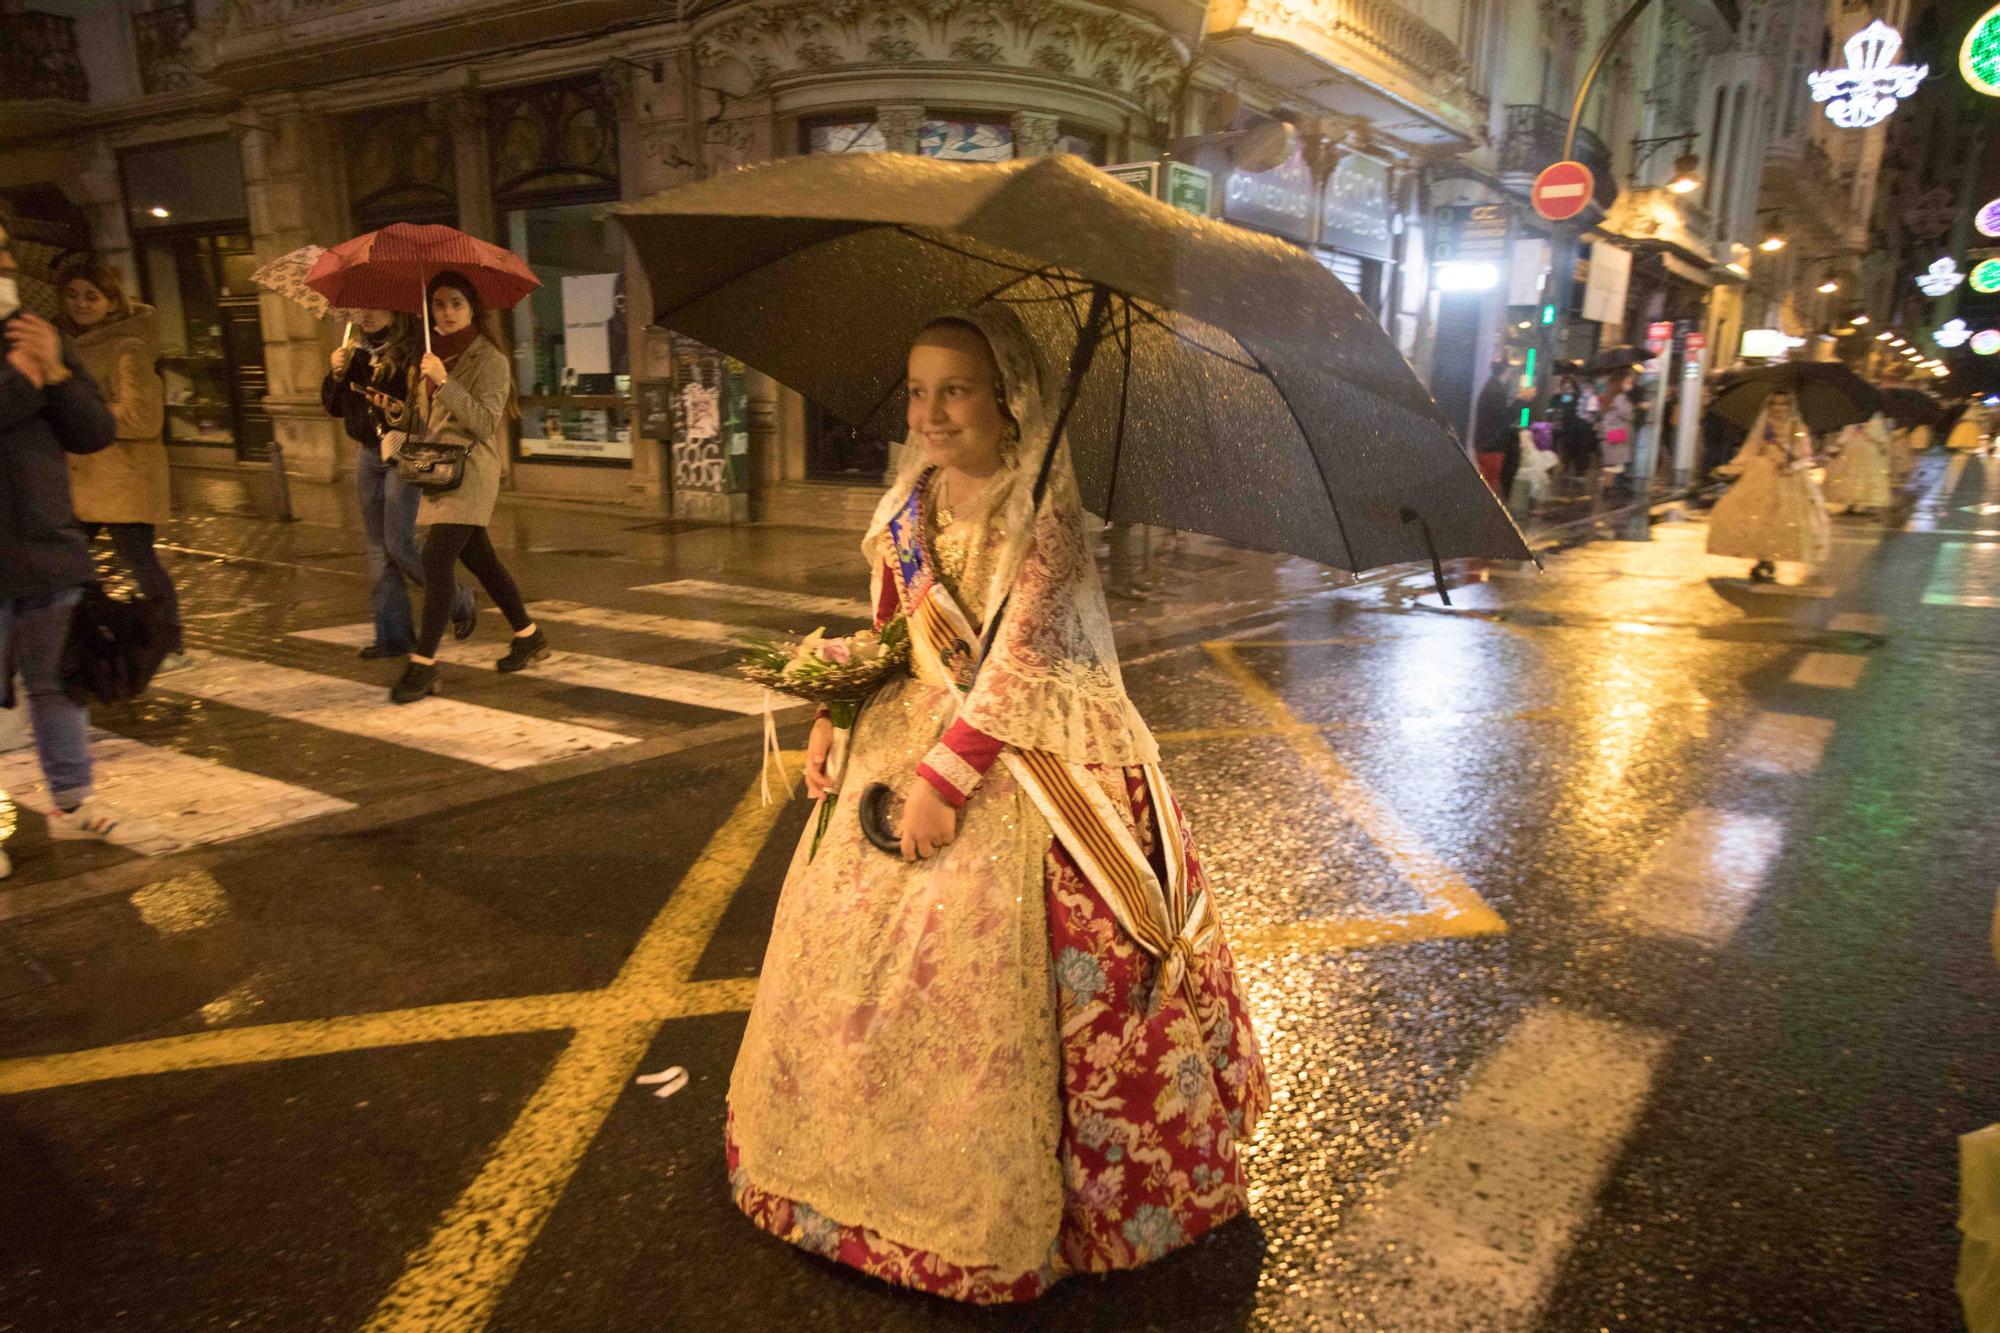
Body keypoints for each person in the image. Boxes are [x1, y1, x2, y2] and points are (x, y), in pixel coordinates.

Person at [727, 307, 1268, 1303]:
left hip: (1021, 759)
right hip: (908, 731)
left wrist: (945, 777)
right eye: (919, 389)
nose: (931, 412)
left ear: (1005, 398)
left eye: (957, 389)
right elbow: (894, 634)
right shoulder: (909, 501)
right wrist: (832, 715)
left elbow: (1024, 661)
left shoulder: (1041, 513)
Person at [0, 233, 158, 878]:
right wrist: (23, 379)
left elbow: (93, 430)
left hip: (47, 545)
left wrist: (58, 373)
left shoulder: (35, 332)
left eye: (6, 255)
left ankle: (74, 803)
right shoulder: (22, 353)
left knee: (59, 685)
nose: (7, 267)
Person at [371, 272, 547, 703]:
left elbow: (485, 421)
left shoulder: (490, 359)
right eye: (439, 304)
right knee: (482, 560)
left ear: (472, 310)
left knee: (435, 559)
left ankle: (424, 665)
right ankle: (528, 634)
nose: (446, 312)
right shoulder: (430, 356)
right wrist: (396, 410)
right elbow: (426, 422)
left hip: (472, 470)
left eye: (455, 304)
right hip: (438, 470)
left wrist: (445, 383)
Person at [55, 258, 188, 672]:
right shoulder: (60, 343)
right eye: (73, 295)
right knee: (65, 561)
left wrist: (83, 413)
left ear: (112, 302)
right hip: (80, 480)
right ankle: (73, 640)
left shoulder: (127, 346)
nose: (81, 304)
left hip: (123, 479)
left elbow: (143, 417)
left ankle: (171, 642)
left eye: (91, 296)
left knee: (139, 561)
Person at [322, 309, 473, 658]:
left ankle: (457, 599)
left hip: (405, 450)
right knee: (377, 548)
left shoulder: (416, 349)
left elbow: (428, 407)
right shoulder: (355, 351)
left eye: (374, 307)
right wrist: (336, 374)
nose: (366, 315)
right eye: (360, 309)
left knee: (399, 545)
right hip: (369, 452)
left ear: (392, 308)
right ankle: (393, 638)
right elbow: (334, 407)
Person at [1706, 388, 1830, 583]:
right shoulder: (1763, 426)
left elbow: (1806, 456)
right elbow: (1750, 450)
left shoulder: (1797, 426)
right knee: (1757, 519)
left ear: (1790, 406)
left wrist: (1792, 465)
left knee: (1781, 521)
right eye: (1775, 403)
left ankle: (1770, 558)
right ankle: (1762, 559)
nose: (1779, 408)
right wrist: (1732, 469)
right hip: (1761, 475)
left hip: (1790, 479)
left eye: (1783, 403)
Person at [1821, 411, 1893, 514]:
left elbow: (1879, 436)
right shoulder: (1853, 416)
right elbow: (1847, 433)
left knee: (1866, 476)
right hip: (1853, 449)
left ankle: (1864, 503)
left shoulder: (1875, 417)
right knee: (1850, 474)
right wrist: (1840, 443)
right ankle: (1851, 502)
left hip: (1868, 450)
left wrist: (1866, 428)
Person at [1472, 360, 1513, 495]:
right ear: (1506, 370)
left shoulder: (1490, 385)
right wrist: (1522, 401)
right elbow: (1504, 419)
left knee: (1487, 482)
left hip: (1485, 444)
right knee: (1490, 486)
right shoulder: (1496, 390)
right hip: (1492, 446)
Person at [1550, 374, 1598, 488]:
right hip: (1567, 430)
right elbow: (1555, 408)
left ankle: (1578, 476)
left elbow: (1586, 412)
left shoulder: (1576, 396)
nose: (1567, 387)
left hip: (1580, 431)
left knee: (1579, 455)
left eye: (1569, 384)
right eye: (1565, 384)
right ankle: (1567, 475)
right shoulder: (1562, 397)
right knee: (1567, 454)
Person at [1597, 374, 1636, 500]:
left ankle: (1608, 488)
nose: (1630, 385)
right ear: (1620, 383)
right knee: (1613, 463)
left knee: (1611, 463)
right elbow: (1628, 414)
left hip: (1608, 432)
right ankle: (1607, 490)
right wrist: (1635, 407)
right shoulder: (1620, 397)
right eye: (1628, 382)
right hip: (1616, 433)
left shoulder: (1610, 396)